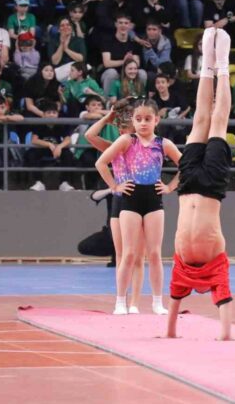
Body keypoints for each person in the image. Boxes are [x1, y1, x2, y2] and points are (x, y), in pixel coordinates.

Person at [164, 28, 235, 340]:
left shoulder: (182, 273)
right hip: (211, 187)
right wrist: (225, 334)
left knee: (199, 122)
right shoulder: (217, 267)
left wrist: (169, 332)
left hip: (189, 184)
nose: (204, 289)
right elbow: (224, 299)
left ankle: (208, 64)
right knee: (218, 122)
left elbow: (175, 302)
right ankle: (222, 65)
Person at [96, 98, 182, 315]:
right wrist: (115, 185)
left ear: (157, 120)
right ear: (133, 121)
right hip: (130, 199)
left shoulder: (163, 144)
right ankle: (120, 302)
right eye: (138, 119)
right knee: (129, 254)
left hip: (153, 199)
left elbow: (187, 165)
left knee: (154, 253)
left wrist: (171, 186)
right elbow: (101, 163)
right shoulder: (127, 140)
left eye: (147, 119)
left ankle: (157, 302)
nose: (143, 123)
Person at [85, 100, 145, 313]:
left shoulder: (143, 145)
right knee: (121, 254)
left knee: (138, 255)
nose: (120, 130)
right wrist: (106, 118)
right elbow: (89, 136)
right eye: (118, 127)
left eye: (123, 127)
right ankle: (121, 300)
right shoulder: (114, 148)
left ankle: (135, 303)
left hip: (140, 200)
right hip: (120, 200)